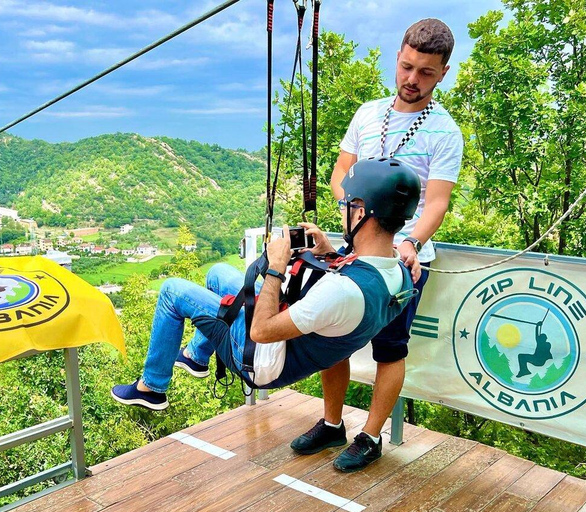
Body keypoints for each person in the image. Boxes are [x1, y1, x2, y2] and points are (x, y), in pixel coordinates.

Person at [112, 158, 421, 430]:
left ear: (360, 213)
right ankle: (197, 357)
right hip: (298, 336)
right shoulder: (401, 274)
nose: (343, 213)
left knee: (171, 292)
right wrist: (329, 254)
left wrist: (275, 267)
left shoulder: (340, 292)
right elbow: (352, 285)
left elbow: (261, 331)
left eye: (346, 206)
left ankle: (151, 387)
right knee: (218, 273)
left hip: (262, 360)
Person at [291, 18, 464, 472]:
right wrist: (361, 216)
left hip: (404, 262)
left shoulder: (445, 132)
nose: (412, 79)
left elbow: (436, 203)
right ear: (398, 58)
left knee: (390, 346)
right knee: (334, 337)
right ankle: (332, 424)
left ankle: (370, 437)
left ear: (443, 72)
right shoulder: (368, 114)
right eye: (407, 67)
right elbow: (338, 177)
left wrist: (406, 241)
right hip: (353, 251)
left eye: (426, 72)